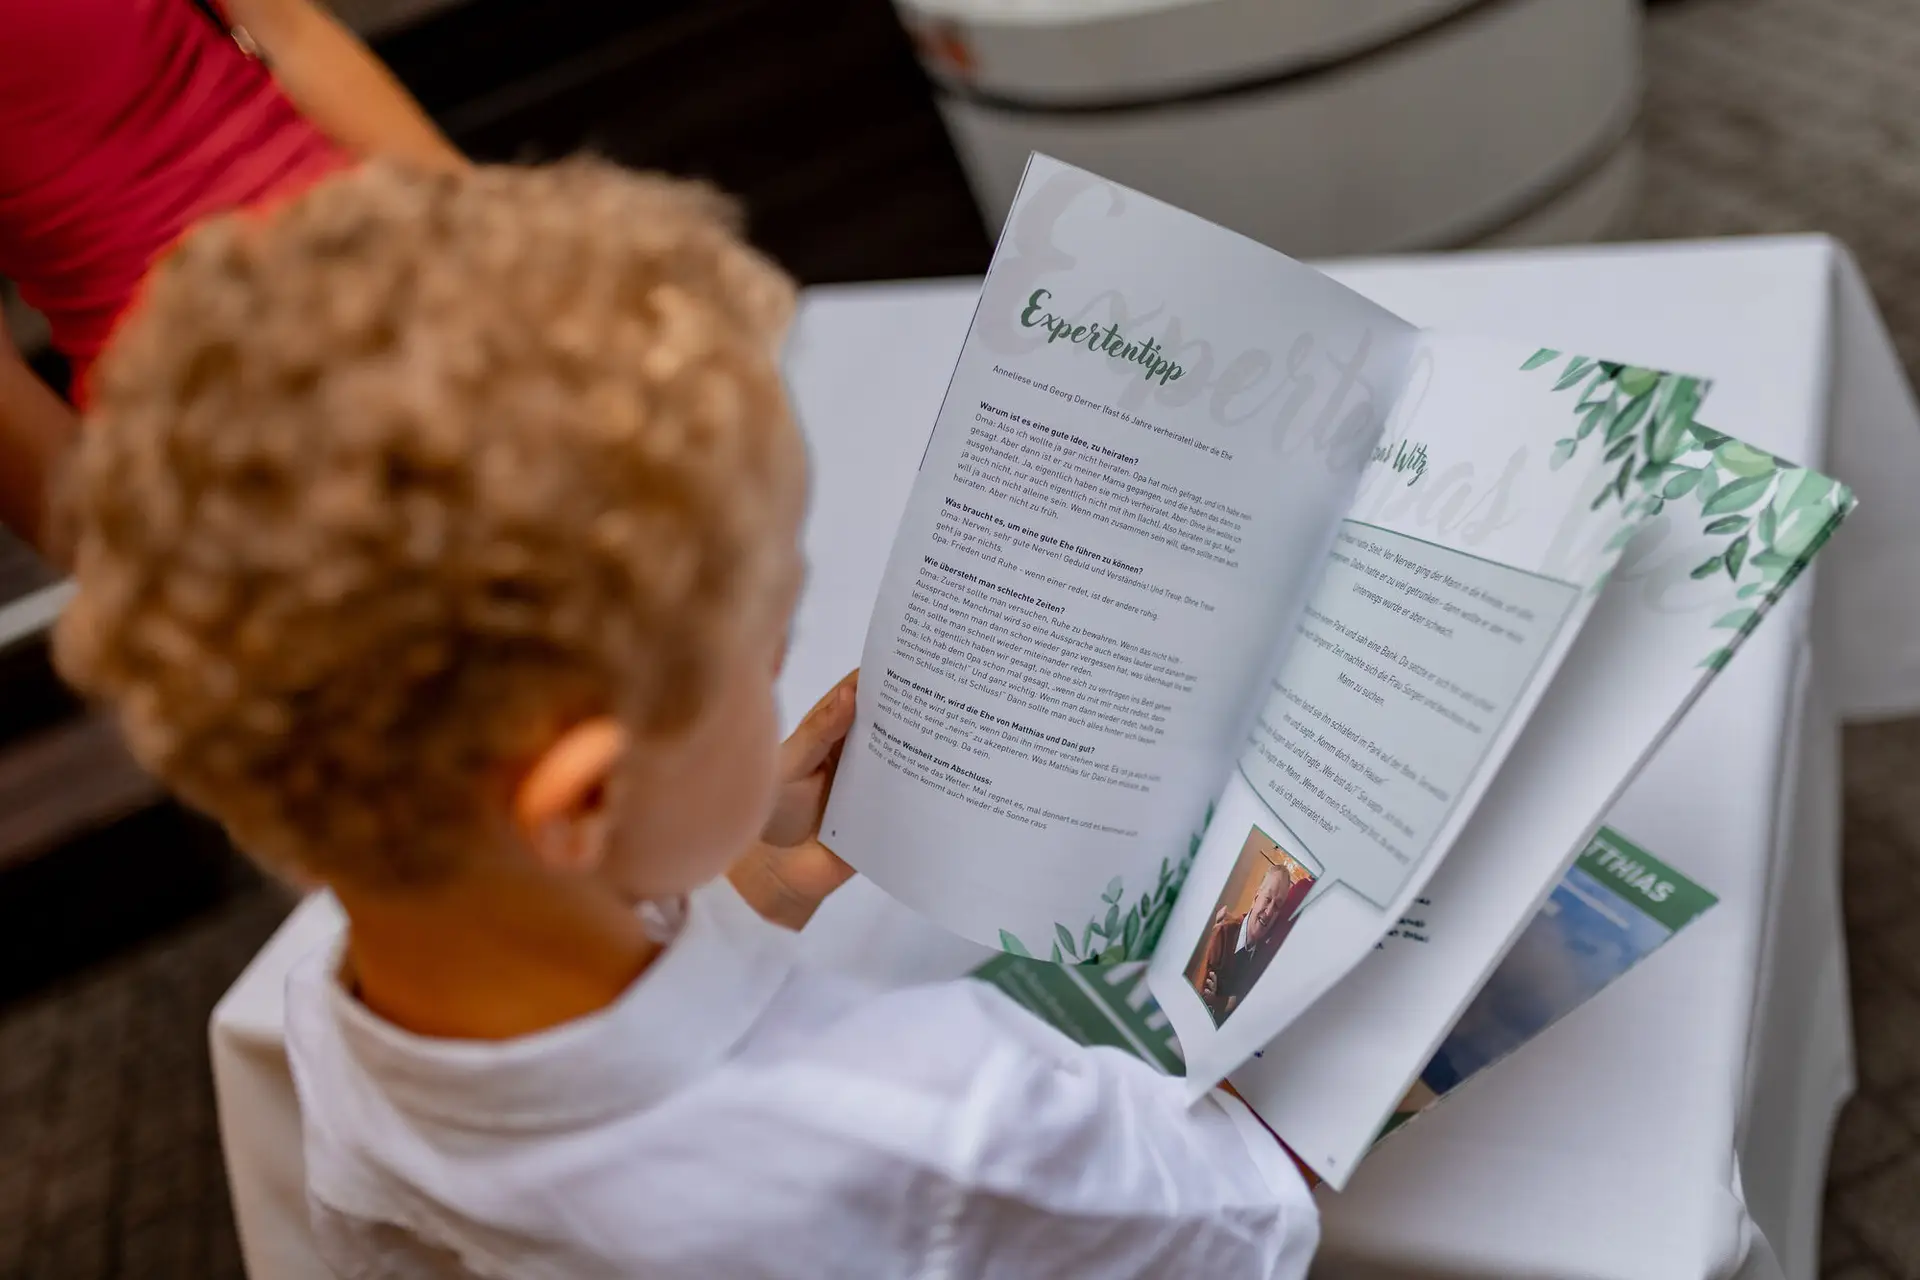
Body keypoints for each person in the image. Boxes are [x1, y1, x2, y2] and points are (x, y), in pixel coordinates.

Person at [53, 160, 1320, 1279]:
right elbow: (1250, 1222)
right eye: (767, 637)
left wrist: (739, 879)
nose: (788, 662)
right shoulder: (942, 1115)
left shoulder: (339, 1027)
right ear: (589, 797)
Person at [0, 0, 460, 556]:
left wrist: (502, 240)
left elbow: (292, 35)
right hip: (192, 405)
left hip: (370, 259)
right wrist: (128, 560)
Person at [1199, 860, 1312, 1023]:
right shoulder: (1223, 934)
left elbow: (1245, 1001)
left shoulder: (1263, 958)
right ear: (1256, 897)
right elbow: (1204, 1000)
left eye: (1277, 906)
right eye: (1267, 899)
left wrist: (1222, 1001)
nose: (1269, 911)